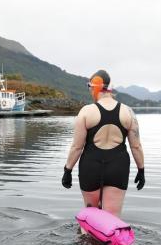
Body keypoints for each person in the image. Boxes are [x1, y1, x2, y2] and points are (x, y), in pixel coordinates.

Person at [62, 70, 145, 218]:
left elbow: (77, 147)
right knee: (112, 217)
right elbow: (136, 146)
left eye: (89, 87)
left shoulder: (86, 112)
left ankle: (85, 240)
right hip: (118, 167)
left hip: (90, 166)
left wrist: (67, 170)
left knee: (90, 215)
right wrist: (141, 170)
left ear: (96, 86)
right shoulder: (128, 112)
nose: (89, 91)